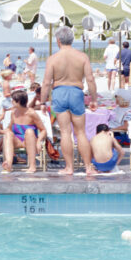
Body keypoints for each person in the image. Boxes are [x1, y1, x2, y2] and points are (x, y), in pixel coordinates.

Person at [41, 26, 98, 175]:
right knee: (80, 133)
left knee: (65, 132)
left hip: (59, 92)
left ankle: (69, 168)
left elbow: (46, 83)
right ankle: (88, 167)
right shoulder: (82, 57)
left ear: (58, 40)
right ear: (71, 40)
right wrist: (93, 98)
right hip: (76, 92)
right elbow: (90, 79)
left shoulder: (53, 59)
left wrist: (42, 102)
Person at [2, 90, 46, 173]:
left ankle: (33, 166)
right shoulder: (14, 113)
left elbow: (43, 130)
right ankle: (9, 164)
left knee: (29, 131)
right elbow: (9, 128)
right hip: (18, 140)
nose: (11, 102)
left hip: (30, 140)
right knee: (8, 134)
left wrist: (39, 141)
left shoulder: (31, 113)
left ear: (18, 101)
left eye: (13, 100)